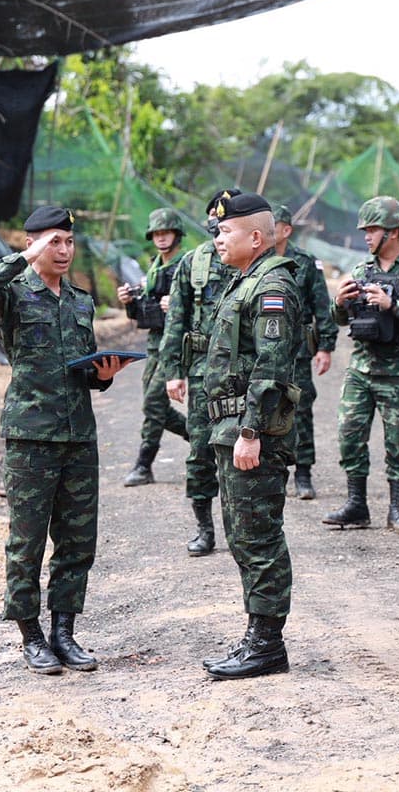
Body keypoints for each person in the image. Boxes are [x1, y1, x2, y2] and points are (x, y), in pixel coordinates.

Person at [0, 205, 128, 675]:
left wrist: (105, 376)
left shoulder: (80, 301)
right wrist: (23, 257)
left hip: (79, 435)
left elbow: (85, 366)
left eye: (68, 242)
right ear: (34, 244)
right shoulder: (12, 293)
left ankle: (64, 633)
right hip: (32, 436)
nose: (63, 251)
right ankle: (31, 637)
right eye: (53, 242)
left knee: (77, 542)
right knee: (27, 542)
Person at [199, 192, 303, 679]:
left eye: (226, 232)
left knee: (258, 536)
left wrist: (250, 431)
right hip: (233, 428)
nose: (217, 239)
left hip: (253, 432)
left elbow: (272, 365)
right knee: (242, 535)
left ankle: (267, 644)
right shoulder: (244, 281)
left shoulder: (271, 286)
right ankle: (258, 636)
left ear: (255, 237)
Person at [324, 196, 399, 536]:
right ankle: (356, 504)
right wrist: (339, 302)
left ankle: (397, 510)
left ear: (393, 232)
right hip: (360, 369)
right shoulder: (361, 271)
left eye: (372, 229)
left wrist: (394, 305)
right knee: (349, 435)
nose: (366, 236)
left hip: (398, 372)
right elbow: (340, 319)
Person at [159, 190, 240, 557]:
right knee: (200, 451)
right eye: (213, 217)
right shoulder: (193, 264)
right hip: (204, 372)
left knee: (245, 450)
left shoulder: (256, 263)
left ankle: (244, 529)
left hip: (246, 372)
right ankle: (204, 528)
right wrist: (173, 370)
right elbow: (175, 320)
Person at [118, 207, 189, 487]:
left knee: (152, 403)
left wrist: (178, 305)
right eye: (156, 234)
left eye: (166, 233)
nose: (161, 238)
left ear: (176, 234)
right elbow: (143, 314)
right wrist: (130, 302)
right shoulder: (154, 265)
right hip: (154, 342)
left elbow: (204, 306)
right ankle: (201, 439)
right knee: (153, 405)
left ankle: (143, 464)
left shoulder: (186, 264)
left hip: (175, 342)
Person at [273, 203, 337, 500]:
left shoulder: (306, 262)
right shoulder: (253, 262)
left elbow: (323, 307)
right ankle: (274, 472)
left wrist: (325, 346)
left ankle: (303, 473)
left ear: (286, 230)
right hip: (262, 350)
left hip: (297, 349)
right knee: (266, 408)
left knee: (300, 409)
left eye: (272, 225)